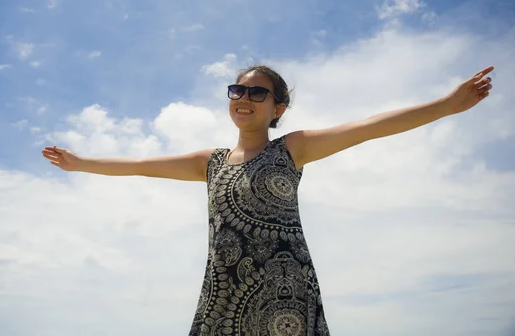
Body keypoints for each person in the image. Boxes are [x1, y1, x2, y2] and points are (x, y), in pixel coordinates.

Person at [41, 64, 494, 335]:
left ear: (277, 108)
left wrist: (446, 105)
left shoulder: (291, 149)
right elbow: (140, 164)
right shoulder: (210, 161)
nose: (244, 97)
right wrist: (82, 164)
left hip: (284, 291)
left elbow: (370, 126)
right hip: (224, 291)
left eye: (258, 92)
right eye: (237, 90)